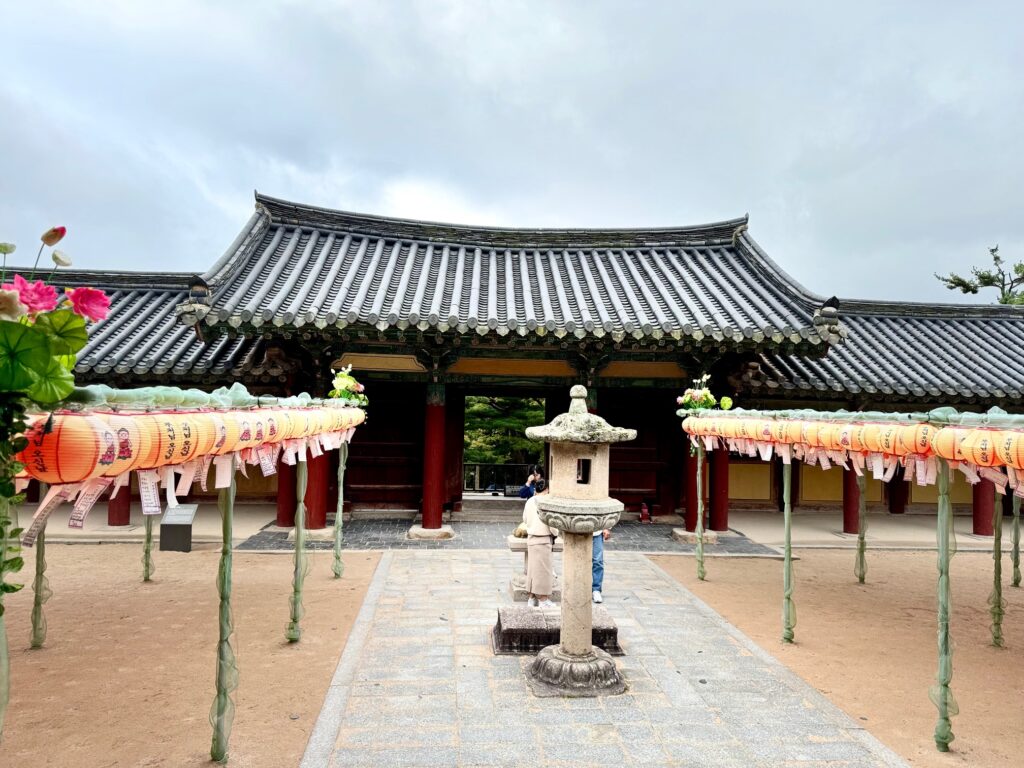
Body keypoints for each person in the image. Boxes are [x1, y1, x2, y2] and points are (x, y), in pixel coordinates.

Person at [522, 479, 556, 608]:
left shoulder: (530, 501)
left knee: (532, 570)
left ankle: (531, 598)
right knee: (543, 571)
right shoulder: (547, 502)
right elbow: (552, 524)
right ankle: (543, 599)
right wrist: (556, 533)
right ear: (547, 489)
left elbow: (525, 519)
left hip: (531, 538)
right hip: (543, 538)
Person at [592, 528, 610, 603]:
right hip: (578, 531)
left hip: (597, 531)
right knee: (579, 561)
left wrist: (606, 528)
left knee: (598, 561)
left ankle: (596, 590)